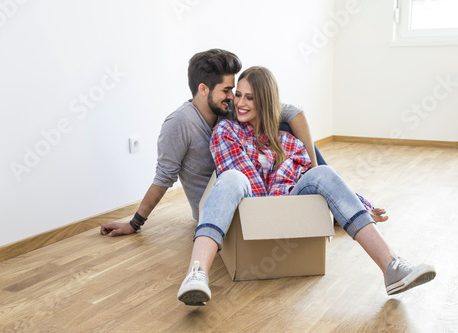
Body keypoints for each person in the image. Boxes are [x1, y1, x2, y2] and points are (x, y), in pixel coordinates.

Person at [176, 66, 436, 306]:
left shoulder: (287, 141)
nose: (240, 103)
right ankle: (196, 273)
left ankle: (391, 267)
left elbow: (316, 179)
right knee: (232, 178)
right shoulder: (226, 132)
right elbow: (255, 195)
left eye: (250, 98)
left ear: (265, 101)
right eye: (239, 96)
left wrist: (362, 205)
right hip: (251, 210)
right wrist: (286, 174)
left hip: (288, 208)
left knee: (323, 170)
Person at [100, 49, 386, 237]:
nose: (233, 98)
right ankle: (335, 205)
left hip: (255, 187)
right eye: (228, 91)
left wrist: (312, 166)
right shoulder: (180, 124)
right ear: (203, 89)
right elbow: (163, 177)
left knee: (283, 131)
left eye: (236, 92)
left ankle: (343, 199)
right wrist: (134, 223)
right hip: (224, 200)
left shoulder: (229, 111)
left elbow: (289, 111)